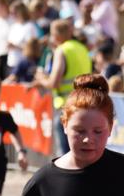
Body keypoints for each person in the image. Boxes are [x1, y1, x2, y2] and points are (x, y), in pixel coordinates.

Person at [34, 19, 92, 154]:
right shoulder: (82, 48)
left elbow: (54, 83)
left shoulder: (61, 50)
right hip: (84, 103)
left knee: (65, 153)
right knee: (82, 150)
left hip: (66, 106)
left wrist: (41, 78)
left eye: (52, 34)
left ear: (57, 35)